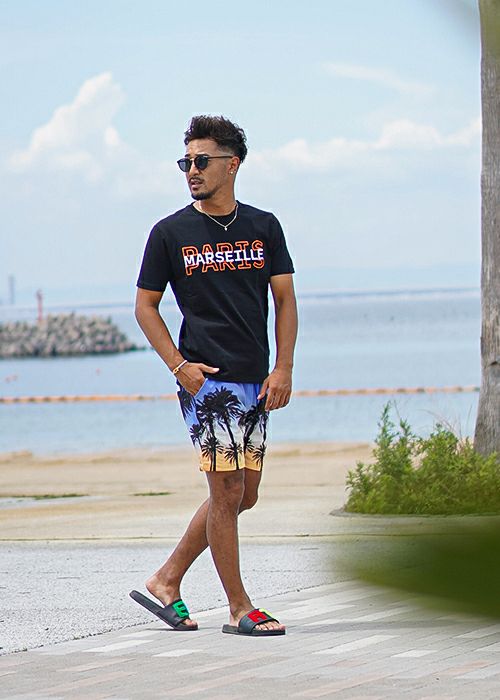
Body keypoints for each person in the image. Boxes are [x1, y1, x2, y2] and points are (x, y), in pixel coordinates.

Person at [130, 115, 298, 637]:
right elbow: (145, 307)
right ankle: (239, 608)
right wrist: (179, 366)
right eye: (186, 162)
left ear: (233, 164)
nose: (192, 171)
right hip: (206, 383)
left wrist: (283, 367)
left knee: (244, 495)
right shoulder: (169, 233)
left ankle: (166, 579)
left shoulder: (264, 226)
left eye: (201, 160)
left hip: (256, 380)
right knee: (226, 491)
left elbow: (285, 299)